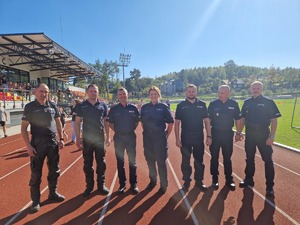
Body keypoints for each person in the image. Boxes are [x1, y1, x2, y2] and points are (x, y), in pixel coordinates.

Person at [21, 83, 65, 213]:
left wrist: (61, 138)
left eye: (46, 92)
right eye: (41, 91)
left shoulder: (52, 105)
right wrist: (28, 146)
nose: (44, 94)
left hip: (52, 143)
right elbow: (23, 128)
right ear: (35, 92)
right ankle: (35, 201)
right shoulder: (30, 107)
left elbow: (58, 122)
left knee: (54, 171)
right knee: (36, 174)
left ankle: (53, 193)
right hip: (37, 144)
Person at [238, 81, 281, 197]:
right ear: (250, 89)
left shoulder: (268, 102)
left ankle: (270, 187)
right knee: (249, 159)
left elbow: (274, 120)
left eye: (258, 88)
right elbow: (242, 119)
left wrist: (272, 136)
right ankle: (249, 180)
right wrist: (238, 133)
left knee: (268, 160)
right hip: (250, 134)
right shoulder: (246, 102)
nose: (255, 90)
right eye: (254, 88)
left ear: (261, 89)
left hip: (263, 135)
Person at [174, 84, 212, 192]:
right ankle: (186, 181)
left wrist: (209, 136)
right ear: (186, 92)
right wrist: (177, 139)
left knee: (199, 161)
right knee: (185, 161)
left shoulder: (202, 104)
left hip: (198, 136)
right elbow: (177, 123)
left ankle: (199, 181)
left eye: (193, 91)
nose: (191, 93)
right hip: (185, 137)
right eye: (189, 91)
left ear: (196, 92)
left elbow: (207, 121)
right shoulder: (181, 105)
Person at [75, 84, 110, 197]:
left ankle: (101, 185)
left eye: (95, 91)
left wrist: (108, 136)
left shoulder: (103, 105)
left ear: (98, 93)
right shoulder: (81, 105)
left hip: (99, 138)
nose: (93, 93)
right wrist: (78, 138)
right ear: (87, 92)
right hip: (87, 138)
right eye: (91, 91)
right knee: (87, 164)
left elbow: (105, 122)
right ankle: (89, 186)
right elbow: (77, 122)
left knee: (101, 163)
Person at [208, 85, 242, 190]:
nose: (220, 95)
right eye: (219, 93)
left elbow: (238, 120)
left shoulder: (234, 104)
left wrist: (238, 133)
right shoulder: (213, 104)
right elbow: (208, 121)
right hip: (215, 133)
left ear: (228, 93)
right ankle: (215, 179)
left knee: (227, 158)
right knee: (214, 157)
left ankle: (229, 179)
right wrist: (209, 135)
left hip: (228, 134)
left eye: (222, 93)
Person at [141, 86, 174, 194]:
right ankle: (153, 181)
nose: (153, 96)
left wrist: (166, 135)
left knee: (161, 162)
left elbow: (170, 122)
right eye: (151, 94)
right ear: (149, 95)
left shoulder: (164, 107)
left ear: (158, 95)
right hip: (147, 138)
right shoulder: (144, 107)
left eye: (155, 94)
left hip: (160, 138)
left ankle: (164, 185)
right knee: (150, 161)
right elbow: (142, 122)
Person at [107, 87, 140, 194]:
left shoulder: (133, 108)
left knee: (132, 162)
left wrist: (130, 130)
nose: (122, 96)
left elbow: (136, 122)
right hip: (119, 138)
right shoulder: (114, 109)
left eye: (124, 94)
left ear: (127, 95)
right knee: (120, 162)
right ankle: (122, 184)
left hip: (130, 137)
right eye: (120, 94)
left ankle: (133, 184)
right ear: (118, 96)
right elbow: (110, 123)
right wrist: (117, 130)